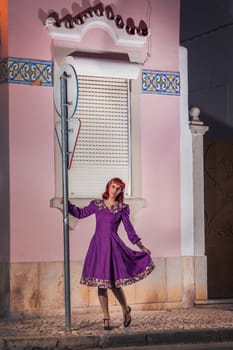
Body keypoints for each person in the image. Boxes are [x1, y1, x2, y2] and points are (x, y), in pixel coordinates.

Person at [67, 177, 155, 330]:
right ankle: (106, 317)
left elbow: (129, 230)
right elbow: (80, 213)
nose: (114, 190)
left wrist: (141, 246)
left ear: (121, 191)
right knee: (101, 284)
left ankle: (125, 310)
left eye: (118, 188)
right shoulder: (97, 205)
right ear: (108, 187)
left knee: (114, 284)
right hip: (98, 247)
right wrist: (66, 204)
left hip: (113, 247)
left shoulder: (121, 208)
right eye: (113, 186)